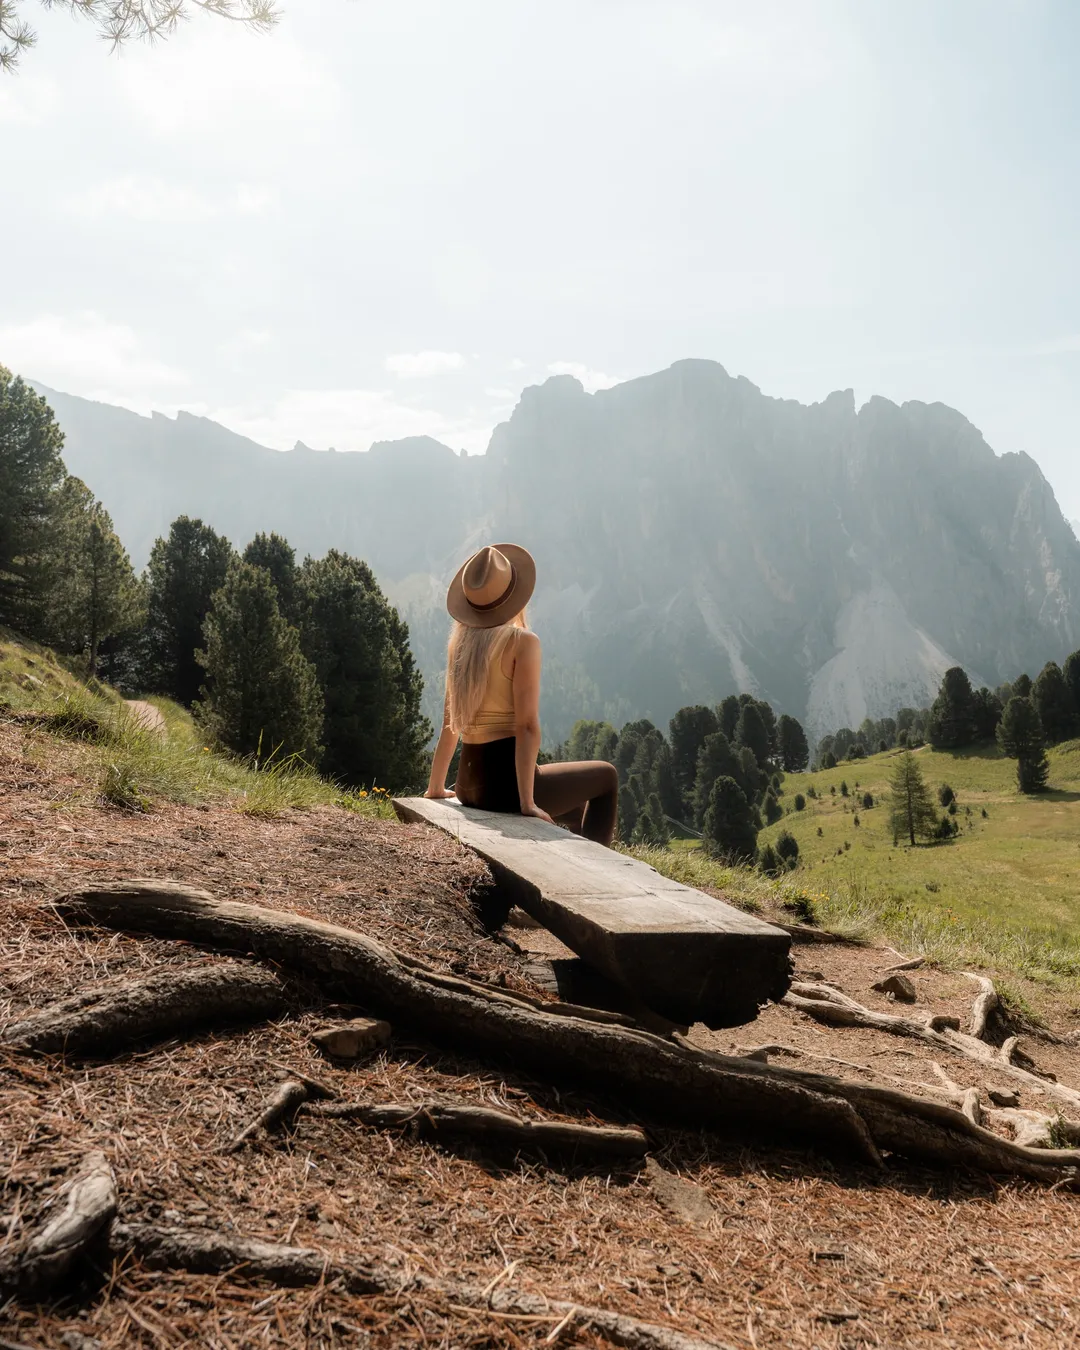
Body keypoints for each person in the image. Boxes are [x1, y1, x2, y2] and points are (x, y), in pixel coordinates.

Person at [424, 543, 619, 846]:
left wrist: (436, 786)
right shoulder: (521, 642)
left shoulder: (460, 644)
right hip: (505, 787)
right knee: (606, 777)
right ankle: (601, 868)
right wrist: (526, 802)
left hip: (468, 783)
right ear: (514, 594)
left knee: (575, 802)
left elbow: (451, 722)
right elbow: (526, 726)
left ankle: (575, 858)